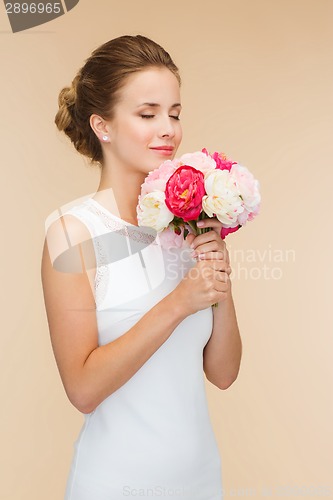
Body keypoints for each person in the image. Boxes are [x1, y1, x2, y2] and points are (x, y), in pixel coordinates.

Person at [41, 34, 242, 500]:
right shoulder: (72, 233)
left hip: (200, 481)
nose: (168, 128)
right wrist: (178, 303)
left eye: (174, 113)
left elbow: (224, 373)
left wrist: (218, 277)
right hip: (116, 484)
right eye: (148, 114)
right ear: (102, 126)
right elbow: (83, 389)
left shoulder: (188, 226)